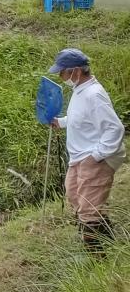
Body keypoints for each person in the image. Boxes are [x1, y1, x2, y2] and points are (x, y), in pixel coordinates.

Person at [48, 48, 126, 253]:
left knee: (88, 209)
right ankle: (108, 240)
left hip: (96, 156)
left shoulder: (94, 94)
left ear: (76, 71)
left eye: (62, 72)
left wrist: (97, 156)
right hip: (80, 155)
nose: (60, 76)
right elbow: (82, 118)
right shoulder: (80, 91)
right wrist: (61, 122)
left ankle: (97, 258)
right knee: (74, 194)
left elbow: (115, 128)